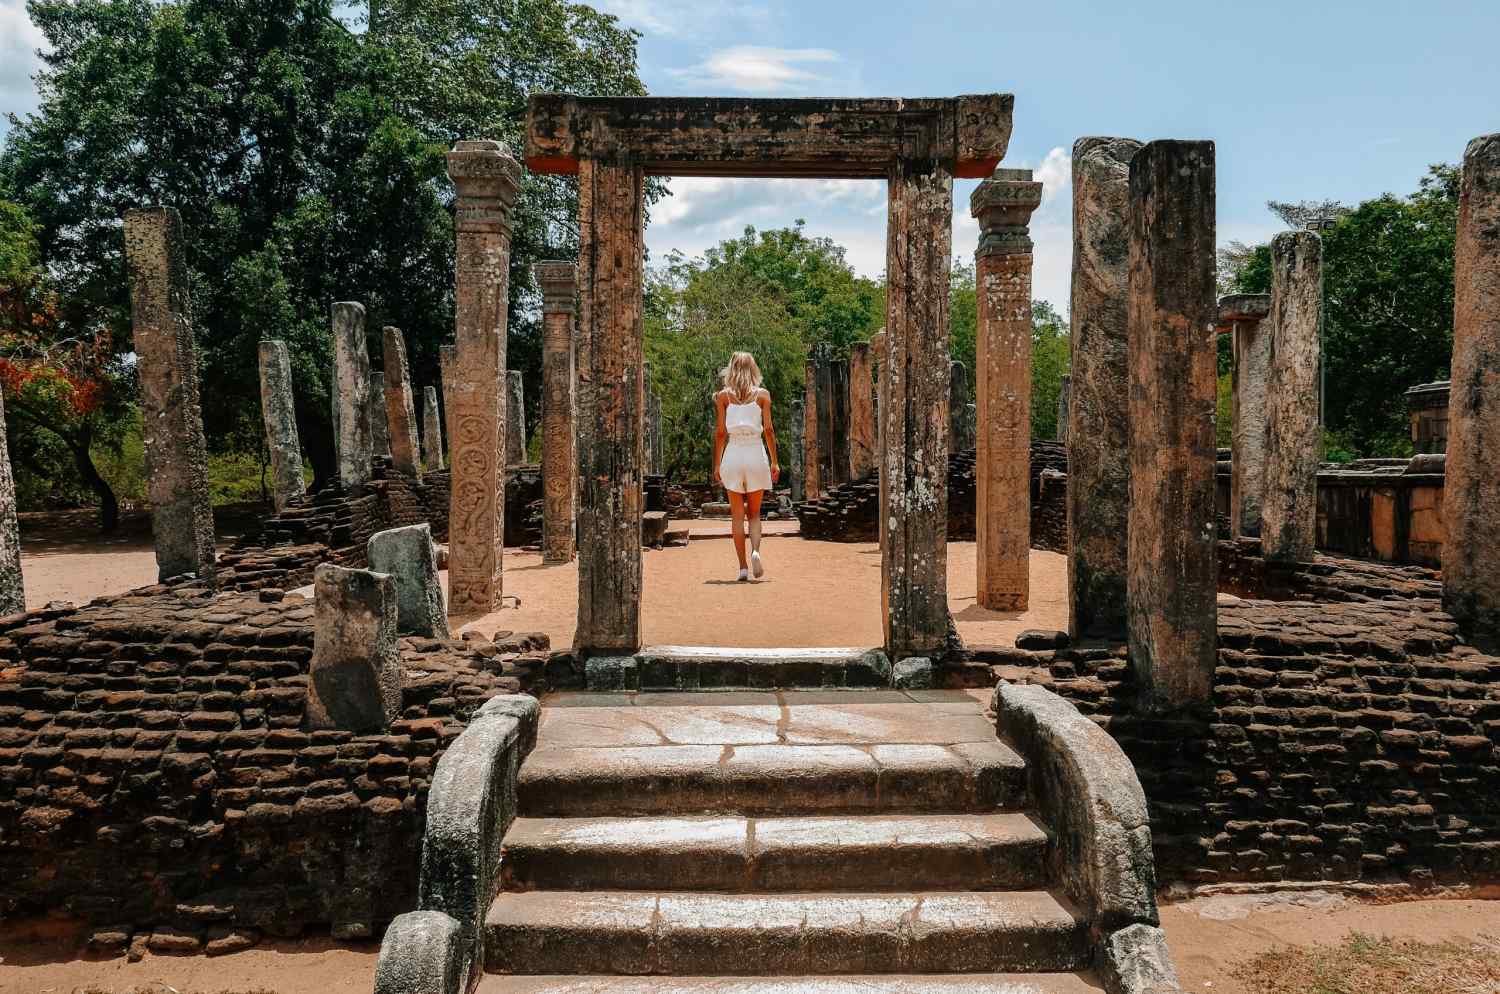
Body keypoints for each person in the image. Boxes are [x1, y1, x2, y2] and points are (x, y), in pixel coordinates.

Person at [713, 351, 780, 581]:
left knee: (736, 515)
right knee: (754, 514)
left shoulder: (723, 397)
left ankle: (742, 568)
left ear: (731, 369)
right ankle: (755, 552)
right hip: (754, 452)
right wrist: (774, 460)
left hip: (733, 454)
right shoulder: (763, 395)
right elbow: (769, 431)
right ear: (753, 369)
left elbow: (721, 433)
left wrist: (717, 463)